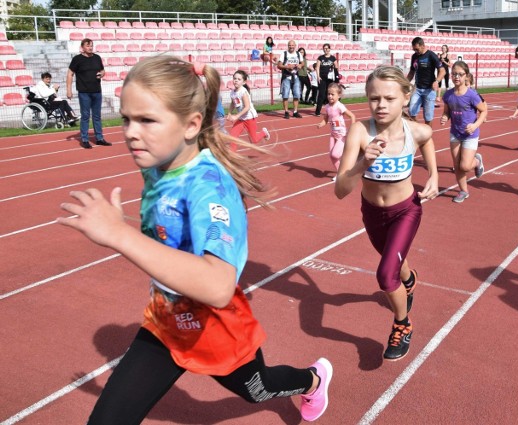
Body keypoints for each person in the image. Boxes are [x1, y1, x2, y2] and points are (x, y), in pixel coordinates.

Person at [57, 56, 332, 423]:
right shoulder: (157, 168)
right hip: (166, 322)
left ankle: (313, 380)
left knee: (258, 389)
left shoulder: (209, 187)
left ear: (190, 125)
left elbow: (218, 286)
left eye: (147, 120)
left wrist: (118, 234)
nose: (130, 132)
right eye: (126, 118)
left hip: (216, 326)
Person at [334, 66, 439, 361]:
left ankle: (402, 325)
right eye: (374, 98)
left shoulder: (415, 130)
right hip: (372, 215)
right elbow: (341, 190)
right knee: (395, 264)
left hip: (405, 211)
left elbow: (428, 138)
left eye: (389, 98)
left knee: (384, 274)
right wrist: (361, 164)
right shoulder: (359, 132)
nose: (381, 105)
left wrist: (434, 175)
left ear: (406, 98)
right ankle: (409, 279)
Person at [440, 61, 488, 203]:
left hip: (470, 135)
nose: (456, 77)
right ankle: (463, 191)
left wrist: (475, 125)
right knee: (457, 166)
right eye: (454, 74)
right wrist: (444, 117)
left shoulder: (472, 95)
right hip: (455, 133)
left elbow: (484, 111)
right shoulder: (448, 95)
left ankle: (477, 161)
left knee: (465, 166)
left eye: (460, 74)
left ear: (466, 76)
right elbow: (446, 113)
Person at [66, 38, 111, 149]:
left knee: (97, 116)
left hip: (97, 91)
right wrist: (69, 90)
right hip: (84, 92)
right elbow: (70, 74)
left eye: (91, 45)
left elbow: (103, 70)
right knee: (85, 116)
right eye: (88, 46)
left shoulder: (97, 58)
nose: (90, 47)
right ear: (82, 47)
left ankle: (99, 139)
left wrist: (102, 74)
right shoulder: (77, 59)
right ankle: (85, 140)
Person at [316, 82, 356, 175]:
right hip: (333, 134)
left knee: (335, 154)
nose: (330, 96)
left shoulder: (339, 106)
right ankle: (340, 174)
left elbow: (352, 116)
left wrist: (352, 128)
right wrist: (321, 124)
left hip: (342, 135)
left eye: (332, 94)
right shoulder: (327, 107)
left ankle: (348, 160)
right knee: (332, 156)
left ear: (339, 95)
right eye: (328, 94)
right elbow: (326, 119)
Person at [406, 37, 445, 125]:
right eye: (414, 49)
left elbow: (443, 71)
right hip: (417, 89)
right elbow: (411, 72)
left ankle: (427, 136)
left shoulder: (431, 55)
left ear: (423, 46)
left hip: (429, 90)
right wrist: (404, 83)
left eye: (417, 49)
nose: (415, 51)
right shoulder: (414, 56)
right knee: (411, 112)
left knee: (428, 117)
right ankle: (419, 130)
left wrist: (436, 81)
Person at [228, 70, 270, 151]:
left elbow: (247, 107)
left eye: (239, 79)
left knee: (254, 140)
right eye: (234, 78)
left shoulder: (243, 92)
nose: (236, 80)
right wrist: (229, 113)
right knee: (232, 137)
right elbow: (233, 103)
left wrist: (236, 116)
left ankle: (264, 133)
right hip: (241, 119)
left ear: (244, 82)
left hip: (249, 118)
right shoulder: (232, 92)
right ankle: (232, 156)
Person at [277, 40, 303, 119]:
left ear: (295, 46)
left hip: (295, 76)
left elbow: (302, 63)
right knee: (285, 95)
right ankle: (286, 112)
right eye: (289, 45)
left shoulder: (298, 54)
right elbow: (279, 65)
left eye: (292, 45)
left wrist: (300, 65)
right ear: (288, 46)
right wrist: (287, 67)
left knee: (297, 94)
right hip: (286, 77)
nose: (291, 47)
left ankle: (295, 111)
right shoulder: (284, 54)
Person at [314, 44, 339, 116]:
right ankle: (317, 111)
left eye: (327, 48)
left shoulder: (333, 58)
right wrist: (318, 76)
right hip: (322, 78)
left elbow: (336, 68)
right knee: (321, 94)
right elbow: (317, 67)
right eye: (324, 48)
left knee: (330, 95)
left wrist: (336, 78)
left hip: (330, 79)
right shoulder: (320, 58)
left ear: (329, 49)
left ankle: (331, 110)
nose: (325, 50)